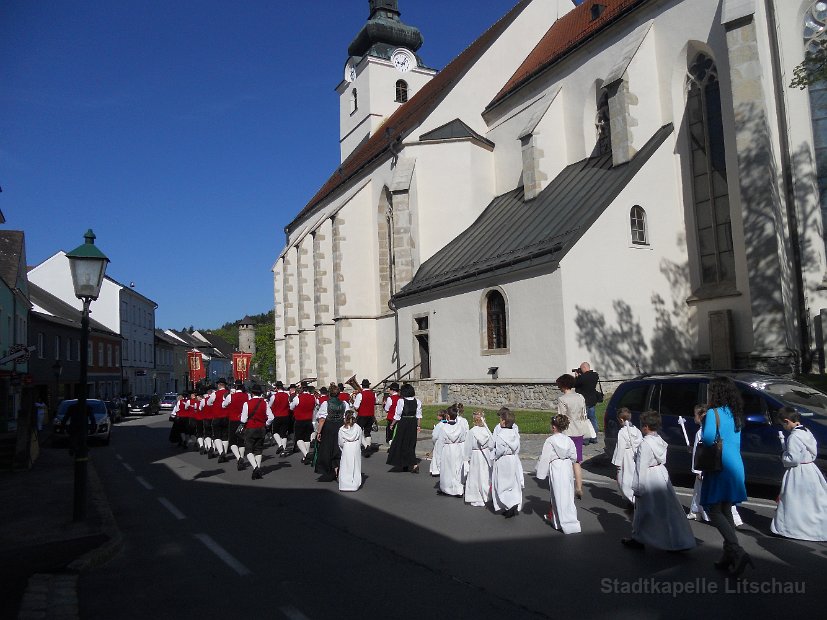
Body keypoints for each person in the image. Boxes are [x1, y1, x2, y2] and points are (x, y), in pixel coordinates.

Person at [621, 410, 695, 551]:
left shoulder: (645, 444)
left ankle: (639, 538)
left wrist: (638, 488)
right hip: (660, 474)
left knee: (644, 510)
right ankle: (678, 540)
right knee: (667, 510)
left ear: (646, 427)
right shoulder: (659, 440)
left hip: (649, 477)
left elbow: (641, 468)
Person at [701, 376, 749, 575]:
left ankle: (736, 550)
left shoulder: (713, 413)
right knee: (726, 508)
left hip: (719, 465)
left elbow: (708, 438)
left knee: (713, 508)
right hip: (735, 463)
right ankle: (728, 553)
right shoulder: (735, 412)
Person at [770, 406, 827, 541]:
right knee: (812, 501)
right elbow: (813, 452)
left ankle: (789, 529)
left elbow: (793, 459)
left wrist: (783, 455)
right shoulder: (807, 432)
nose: (783, 427)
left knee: (793, 500)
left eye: (783, 424)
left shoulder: (794, 437)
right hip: (811, 470)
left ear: (787, 421)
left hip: (798, 472)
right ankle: (817, 527)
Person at [687, 405, 744, 526]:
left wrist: (696, 470)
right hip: (719, 465)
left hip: (706, 466)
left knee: (704, 493)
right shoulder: (727, 425)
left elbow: (700, 451)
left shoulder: (701, 432)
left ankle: (705, 514)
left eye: (695, 415)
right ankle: (697, 511)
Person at [536, 414, 580, 534]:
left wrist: (541, 474)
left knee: (557, 494)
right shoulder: (569, 440)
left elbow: (545, 458)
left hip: (556, 467)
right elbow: (574, 457)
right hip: (566, 467)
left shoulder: (550, 440)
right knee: (568, 494)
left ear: (554, 427)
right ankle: (567, 520)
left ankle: (561, 522)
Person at [556, 374, 590, 499]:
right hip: (579, 430)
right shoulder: (580, 397)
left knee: (565, 460)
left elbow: (561, 418)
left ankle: (567, 485)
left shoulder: (562, 399)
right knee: (577, 460)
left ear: (563, 385)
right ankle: (579, 487)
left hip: (567, 432)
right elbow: (584, 413)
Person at [491, 408, 523, 518]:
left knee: (502, 483)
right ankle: (513, 501)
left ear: (504, 421)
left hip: (503, 460)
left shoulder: (501, 436)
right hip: (513, 459)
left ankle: (509, 504)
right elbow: (517, 448)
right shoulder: (514, 434)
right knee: (512, 482)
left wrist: (494, 456)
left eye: (500, 419)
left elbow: (499, 450)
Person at [315, 383, 349, 482]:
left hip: (329, 428)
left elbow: (322, 419)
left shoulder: (326, 404)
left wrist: (319, 432)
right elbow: (347, 417)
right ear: (338, 394)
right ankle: (338, 470)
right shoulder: (344, 404)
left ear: (329, 394)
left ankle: (332, 470)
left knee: (328, 449)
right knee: (338, 449)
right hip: (340, 427)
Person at [386, 383, 421, 473]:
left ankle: (407, 463)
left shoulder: (401, 401)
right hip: (413, 422)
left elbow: (397, 415)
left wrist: (392, 424)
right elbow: (419, 415)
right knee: (411, 443)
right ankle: (411, 464)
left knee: (400, 442)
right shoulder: (417, 401)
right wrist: (418, 426)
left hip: (404, 422)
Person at [240, 384, 273, 480]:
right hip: (261, 428)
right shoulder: (265, 403)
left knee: (249, 450)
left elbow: (243, 419)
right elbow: (271, 417)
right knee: (258, 450)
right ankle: (257, 470)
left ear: (252, 393)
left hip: (250, 428)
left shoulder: (247, 404)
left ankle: (256, 468)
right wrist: (265, 424)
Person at [611, 407, 642, 507]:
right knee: (633, 477)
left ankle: (633, 500)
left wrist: (618, 463)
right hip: (635, 456)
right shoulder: (637, 430)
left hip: (626, 457)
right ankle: (633, 498)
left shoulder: (622, 432)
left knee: (624, 479)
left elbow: (620, 448)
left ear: (620, 419)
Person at [463, 410, 493, 507]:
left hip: (475, 455)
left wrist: (466, 458)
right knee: (485, 474)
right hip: (485, 454)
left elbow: (468, 446)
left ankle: (476, 497)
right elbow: (492, 444)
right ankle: (487, 495)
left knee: (475, 475)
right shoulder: (487, 431)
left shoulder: (471, 432)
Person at [438, 407, 466, 497]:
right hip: (457, 448)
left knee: (447, 469)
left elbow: (441, 442)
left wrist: (438, 455)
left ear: (448, 416)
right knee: (457, 469)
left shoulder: (444, 428)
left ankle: (446, 488)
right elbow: (463, 438)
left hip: (447, 448)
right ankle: (458, 489)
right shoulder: (460, 427)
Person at [223, 381, 250, 470]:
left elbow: (223, 405)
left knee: (233, 441)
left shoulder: (231, 396)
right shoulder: (247, 396)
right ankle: (241, 457)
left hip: (233, 420)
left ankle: (239, 458)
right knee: (241, 440)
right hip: (243, 420)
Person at [290, 383, 318, 464]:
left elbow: (291, 407)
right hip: (309, 420)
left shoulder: (297, 398)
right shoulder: (313, 397)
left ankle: (307, 454)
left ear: (301, 389)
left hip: (299, 420)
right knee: (306, 439)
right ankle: (305, 457)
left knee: (298, 439)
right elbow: (315, 405)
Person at [574, 362, 601, 444]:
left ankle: (586, 440)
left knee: (584, 420)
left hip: (584, 401)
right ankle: (594, 438)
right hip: (592, 400)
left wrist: (577, 377)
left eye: (581, 368)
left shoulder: (583, 377)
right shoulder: (595, 375)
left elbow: (576, 384)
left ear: (584, 368)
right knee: (593, 419)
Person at [337, 410, 363, 492]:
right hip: (355, 446)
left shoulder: (341, 429)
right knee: (355, 466)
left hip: (346, 446)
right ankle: (354, 483)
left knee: (346, 465)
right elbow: (360, 439)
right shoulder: (358, 428)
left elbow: (340, 442)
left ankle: (345, 484)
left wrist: (343, 448)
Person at [353, 379, 377, 456]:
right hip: (370, 415)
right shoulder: (374, 394)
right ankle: (368, 447)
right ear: (368, 385)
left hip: (362, 416)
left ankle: (366, 446)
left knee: (358, 431)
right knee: (367, 432)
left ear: (362, 386)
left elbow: (356, 407)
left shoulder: (360, 395)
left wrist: (354, 399)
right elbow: (375, 402)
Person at [209, 379, 230, 462]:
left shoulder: (214, 394)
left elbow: (209, 403)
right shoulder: (229, 394)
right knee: (225, 436)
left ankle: (221, 452)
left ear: (218, 385)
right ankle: (224, 452)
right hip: (227, 417)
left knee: (217, 436)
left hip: (217, 417)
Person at [268, 381, 291, 455]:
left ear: (277, 388)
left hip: (277, 416)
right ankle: (283, 450)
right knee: (283, 433)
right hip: (286, 416)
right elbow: (289, 405)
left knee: (275, 432)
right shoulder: (287, 395)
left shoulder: (274, 396)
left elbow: (270, 406)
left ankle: (280, 445)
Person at [429, 410, 448, 476]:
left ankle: (436, 470)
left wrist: (434, 442)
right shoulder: (447, 424)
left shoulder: (439, 425)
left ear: (440, 417)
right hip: (445, 443)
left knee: (437, 456)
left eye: (438, 415)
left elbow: (434, 436)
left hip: (438, 442)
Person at [383, 383, 400, 447]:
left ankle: (391, 447)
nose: (389, 390)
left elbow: (387, 409)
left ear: (392, 390)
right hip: (399, 419)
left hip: (391, 418)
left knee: (390, 435)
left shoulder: (390, 398)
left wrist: (384, 404)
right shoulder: (401, 398)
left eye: (390, 389)